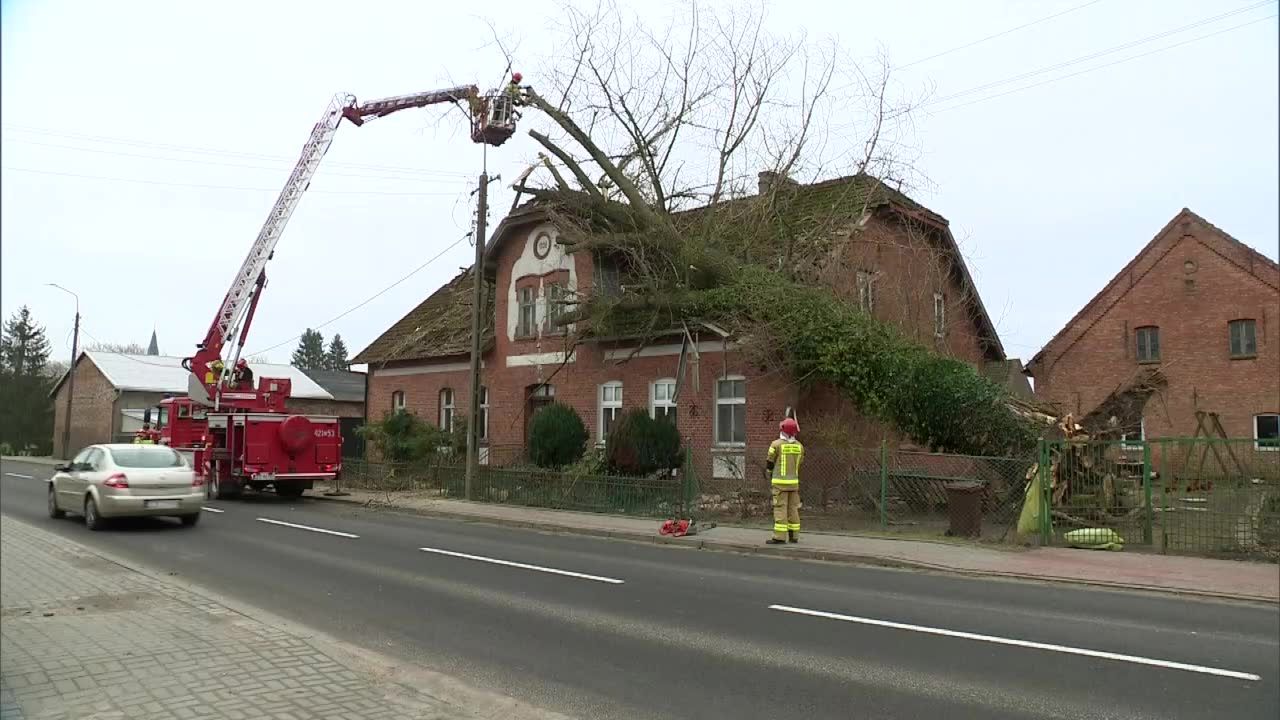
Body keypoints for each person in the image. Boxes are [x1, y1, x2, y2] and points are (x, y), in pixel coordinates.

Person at [765, 417, 803, 545]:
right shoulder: (799, 447)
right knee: (793, 509)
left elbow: (770, 462)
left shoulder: (776, 444)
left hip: (780, 483)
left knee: (780, 508)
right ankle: (794, 536)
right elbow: (800, 462)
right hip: (794, 483)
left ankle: (779, 537)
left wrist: (769, 474)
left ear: (784, 430)